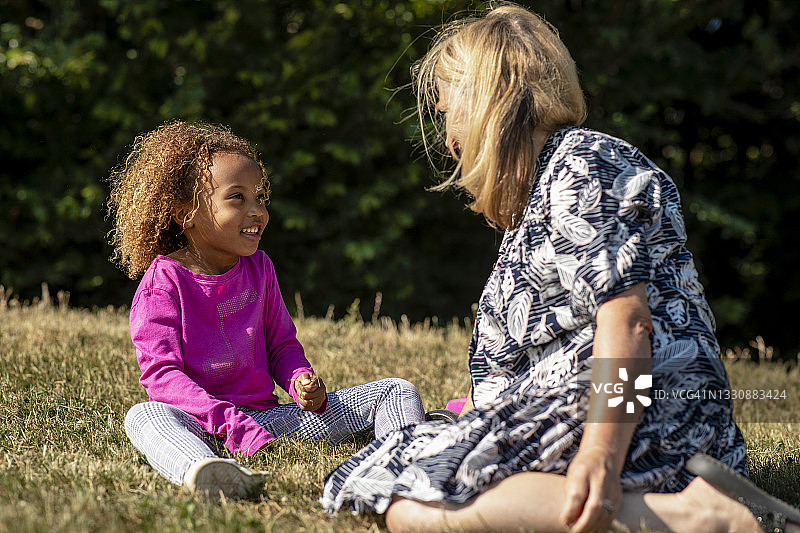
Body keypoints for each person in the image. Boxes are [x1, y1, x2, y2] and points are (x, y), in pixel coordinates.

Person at [320, 5, 800, 533]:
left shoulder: (582, 165)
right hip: (624, 414)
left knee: (409, 499)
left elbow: (628, 320)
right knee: (405, 475)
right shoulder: (543, 196)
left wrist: (601, 454)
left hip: (639, 412)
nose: (450, 138)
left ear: (485, 103)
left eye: (447, 110)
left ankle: (699, 517)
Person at [107, 121, 425, 499]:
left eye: (260, 197)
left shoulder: (260, 269)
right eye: (237, 198)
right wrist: (232, 427)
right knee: (145, 416)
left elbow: (281, 347)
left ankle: (405, 465)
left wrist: (301, 380)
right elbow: (162, 377)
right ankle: (208, 470)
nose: (257, 211)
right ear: (185, 212)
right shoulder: (163, 283)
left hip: (270, 420)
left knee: (395, 391)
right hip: (199, 425)